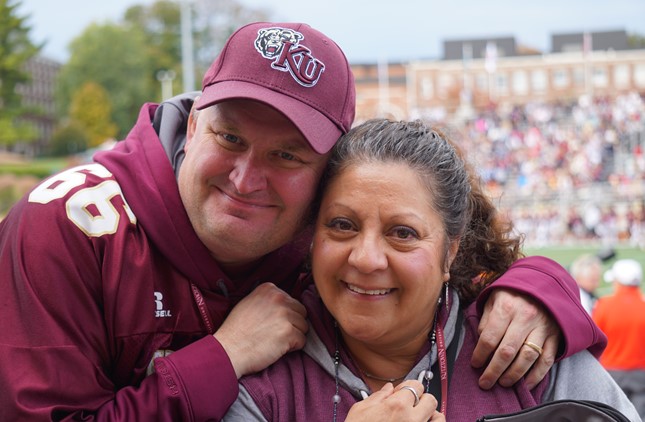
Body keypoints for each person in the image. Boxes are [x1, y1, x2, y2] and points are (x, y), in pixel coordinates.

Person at [0, 22, 603, 420]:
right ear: (193, 122)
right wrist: (222, 358)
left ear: (324, 180)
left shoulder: (321, 236)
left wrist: (540, 290)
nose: (245, 177)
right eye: (228, 137)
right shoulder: (64, 229)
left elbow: (443, 261)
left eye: (287, 155)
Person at [224, 119, 640, 422]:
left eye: (402, 233)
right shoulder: (260, 386)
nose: (366, 258)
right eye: (343, 225)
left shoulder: (529, 357)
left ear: (449, 252)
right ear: (312, 236)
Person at [593, 259, 645, 419]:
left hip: (611, 371)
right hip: (641, 372)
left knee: (611, 415)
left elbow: (594, 338)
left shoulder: (604, 305)